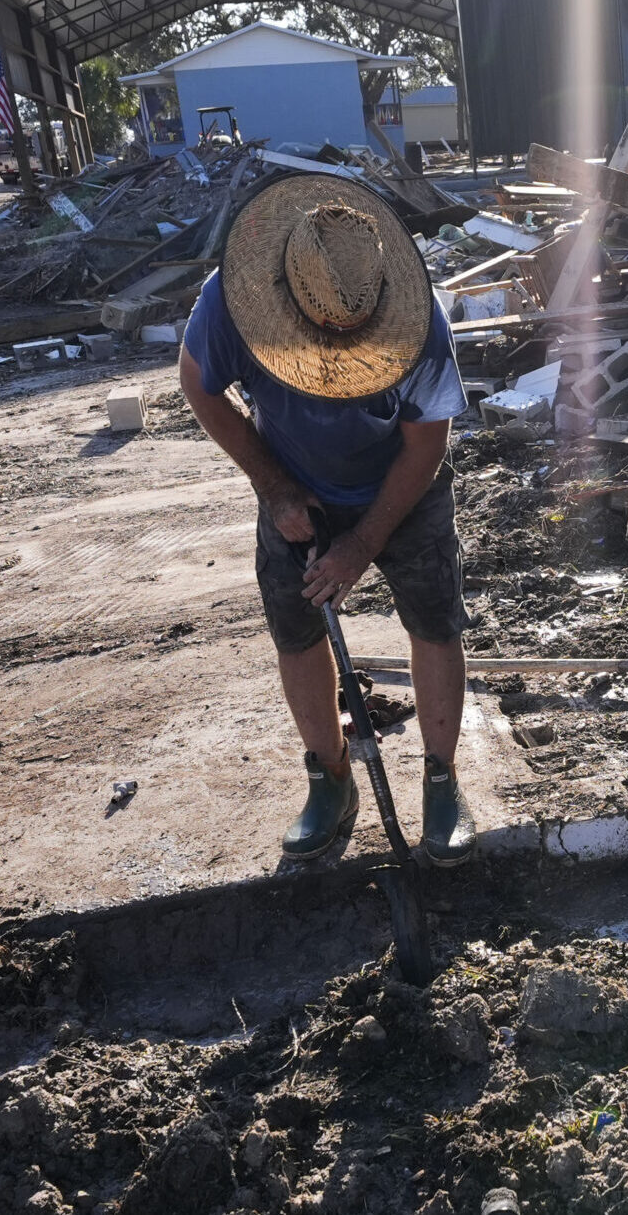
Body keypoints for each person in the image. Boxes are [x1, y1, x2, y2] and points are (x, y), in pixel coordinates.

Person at [176, 174, 475, 864]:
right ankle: (331, 780)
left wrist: (365, 542)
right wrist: (276, 487)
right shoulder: (231, 301)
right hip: (293, 482)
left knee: (435, 621)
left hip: (403, 483)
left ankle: (440, 780)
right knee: (297, 628)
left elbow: (427, 445)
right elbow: (199, 385)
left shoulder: (421, 323)